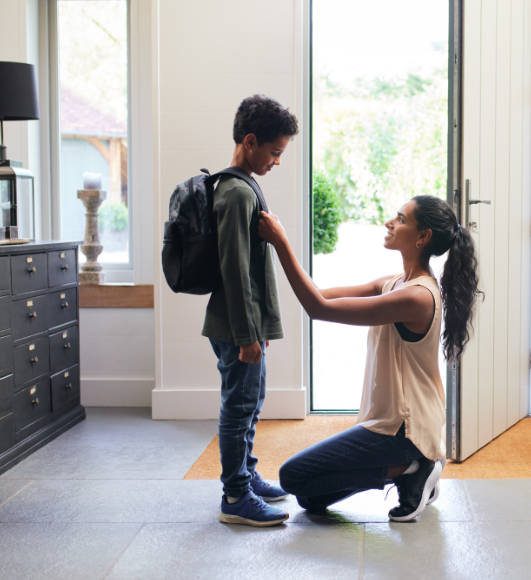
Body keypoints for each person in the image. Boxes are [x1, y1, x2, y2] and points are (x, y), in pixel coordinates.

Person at [258, 195, 481, 522]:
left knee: (291, 476)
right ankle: (406, 470)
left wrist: (281, 242)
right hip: (387, 424)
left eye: (400, 219)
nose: (390, 223)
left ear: (423, 237)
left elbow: (318, 309)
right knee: (309, 497)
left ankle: (412, 467)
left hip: (406, 430)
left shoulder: (417, 297)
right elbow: (318, 294)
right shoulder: (393, 284)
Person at [205, 94, 299, 527]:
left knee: (250, 401)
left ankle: (246, 474)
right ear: (250, 140)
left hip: (248, 323)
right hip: (237, 326)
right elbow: (234, 272)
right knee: (238, 407)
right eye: (275, 152)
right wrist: (246, 335)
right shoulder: (237, 192)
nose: (277, 161)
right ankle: (235, 497)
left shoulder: (244, 186)